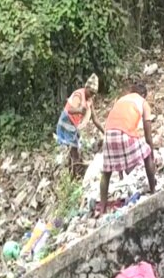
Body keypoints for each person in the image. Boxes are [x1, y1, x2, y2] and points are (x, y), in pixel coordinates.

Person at [100, 83, 156, 214]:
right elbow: (148, 135)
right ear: (143, 95)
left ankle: (102, 206)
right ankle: (153, 189)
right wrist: (152, 155)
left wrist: (119, 170)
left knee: (106, 171)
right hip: (124, 133)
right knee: (147, 153)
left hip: (108, 134)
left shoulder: (121, 99)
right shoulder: (143, 102)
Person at [56, 73, 105, 174]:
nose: (91, 95)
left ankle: (72, 170)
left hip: (74, 124)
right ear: (86, 88)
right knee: (74, 148)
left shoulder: (89, 100)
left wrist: (104, 131)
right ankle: (76, 172)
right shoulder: (79, 95)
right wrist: (79, 110)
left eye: (93, 93)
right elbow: (70, 110)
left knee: (74, 146)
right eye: (90, 92)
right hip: (67, 121)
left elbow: (94, 118)